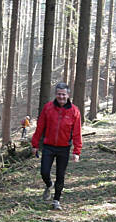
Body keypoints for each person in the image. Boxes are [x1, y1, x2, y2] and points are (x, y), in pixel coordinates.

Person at [31, 82, 82, 210]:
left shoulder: (74, 111)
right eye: (59, 94)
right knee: (44, 172)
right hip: (48, 146)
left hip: (64, 148)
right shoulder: (48, 108)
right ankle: (49, 184)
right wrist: (35, 144)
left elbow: (77, 132)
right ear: (56, 94)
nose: (61, 97)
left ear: (68, 95)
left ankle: (56, 200)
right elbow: (40, 127)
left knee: (61, 174)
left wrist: (77, 151)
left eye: (63, 94)